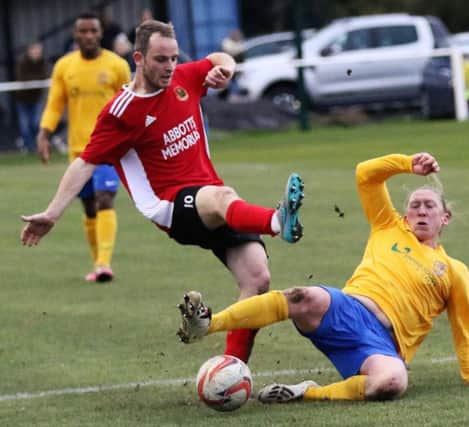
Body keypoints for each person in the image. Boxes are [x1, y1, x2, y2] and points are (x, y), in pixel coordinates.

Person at [20, 19, 305, 363]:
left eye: (173, 58)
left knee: (258, 280)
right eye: (160, 59)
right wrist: (52, 212)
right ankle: (277, 221)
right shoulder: (121, 113)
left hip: (209, 200)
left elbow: (219, 58)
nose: (170, 66)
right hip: (169, 206)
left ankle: (231, 371)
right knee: (224, 196)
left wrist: (225, 70)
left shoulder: (184, 79)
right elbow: (85, 162)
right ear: (138, 58)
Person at [176, 152, 469, 403]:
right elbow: (365, 174)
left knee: (392, 383)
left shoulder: (454, 271)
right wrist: (406, 164)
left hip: (381, 346)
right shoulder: (388, 224)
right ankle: (208, 323)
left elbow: (463, 331)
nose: (421, 211)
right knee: (302, 296)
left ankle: (306, 393)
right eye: (415, 204)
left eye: (429, 206)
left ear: (446, 218)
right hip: (346, 309)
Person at [35, 12, 131, 283]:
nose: (88, 36)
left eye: (93, 31)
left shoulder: (117, 65)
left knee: (104, 199)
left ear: (101, 34)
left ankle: (104, 264)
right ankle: (97, 263)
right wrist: (44, 134)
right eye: (83, 31)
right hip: (79, 150)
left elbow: (130, 103)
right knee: (89, 206)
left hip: (110, 149)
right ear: (75, 35)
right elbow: (55, 103)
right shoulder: (64, 67)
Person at [13, 41, 48, 153]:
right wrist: (36, 79)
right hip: (22, 100)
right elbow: (22, 78)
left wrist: (34, 79)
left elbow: (45, 75)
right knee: (25, 126)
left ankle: (36, 146)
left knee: (36, 123)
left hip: (36, 99)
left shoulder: (42, 62)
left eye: (39, 50)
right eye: (34, 50)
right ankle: (29, 148)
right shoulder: (22, 62)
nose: (37, 53)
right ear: (29, 51)